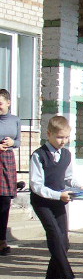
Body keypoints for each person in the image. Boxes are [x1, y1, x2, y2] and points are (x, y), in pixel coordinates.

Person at [30, 115, 83, 279]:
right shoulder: (39, 155)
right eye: (60, 137)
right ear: (49, 134)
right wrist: (57, 195)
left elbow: (68, 178)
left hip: (59, 202)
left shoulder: (66, 154)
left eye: (66, 137)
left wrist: (81, 188)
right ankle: (68, 278)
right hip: (42, 202)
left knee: (64, 242)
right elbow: (36, 185)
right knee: (54, 235)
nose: (63, 141)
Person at [0, 89, 20, 256]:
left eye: (0, 104)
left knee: (5, 202)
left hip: (7, 161)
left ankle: (2, 240)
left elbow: (18, 141)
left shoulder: (15, 120)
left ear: (8, 103)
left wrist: (13, 142)